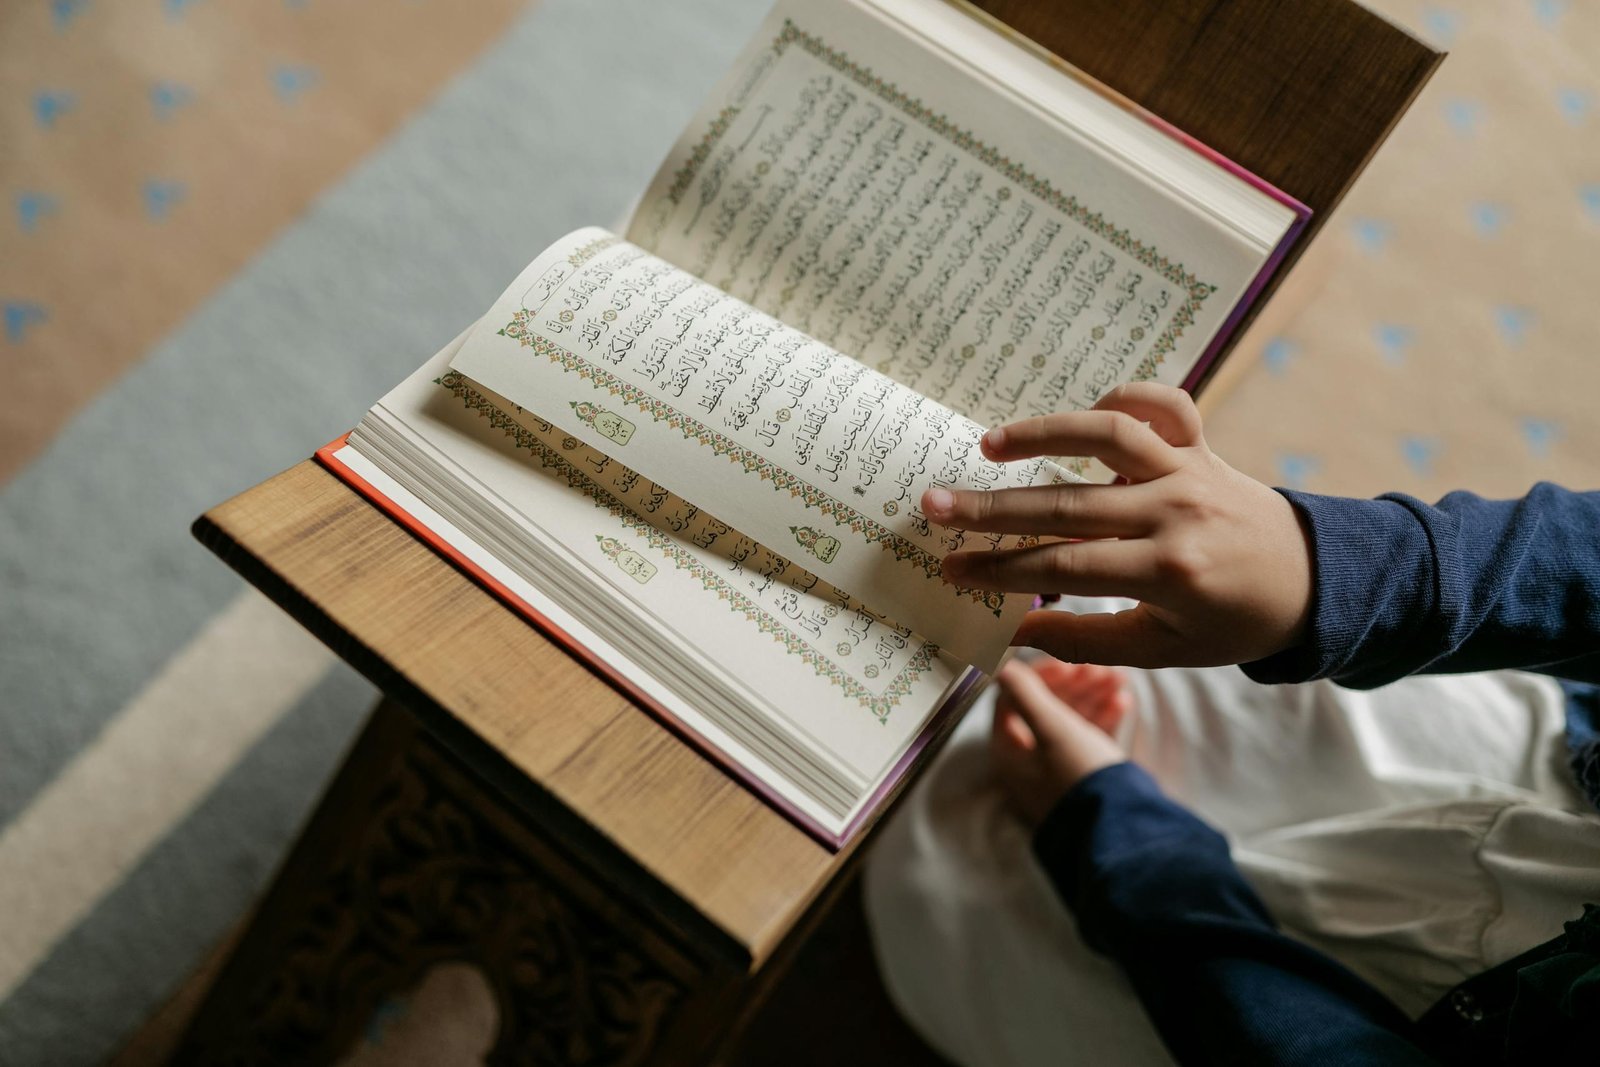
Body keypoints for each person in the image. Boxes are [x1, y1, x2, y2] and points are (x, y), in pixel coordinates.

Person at [863, 383, 1600, 1065]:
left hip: (1410, 1022)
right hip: (1563, 776)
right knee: (1114, 596)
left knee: (935, 876)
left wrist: (1104, 824)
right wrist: (1320, 568)